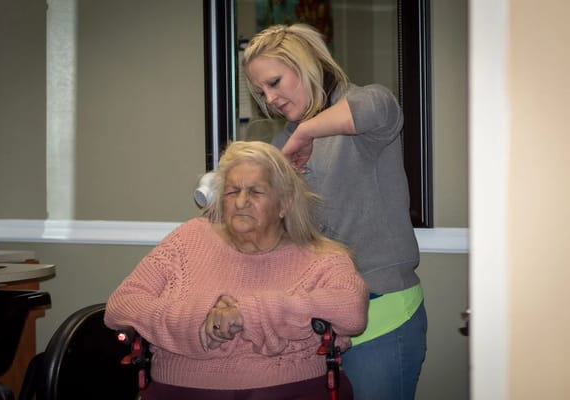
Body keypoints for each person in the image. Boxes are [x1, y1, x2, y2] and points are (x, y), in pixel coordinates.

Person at [242, 23, 427, 400]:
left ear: (305, 63)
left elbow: (378, 106)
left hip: (382, 312)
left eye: (275, 81)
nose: (270, 98)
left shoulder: (363, 108)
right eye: (261, 91)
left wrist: (304, 134)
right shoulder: (285, 142)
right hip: (322, 319)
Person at [104, 140, 368, 400]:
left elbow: (351, 311)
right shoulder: (188, 239)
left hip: (291, 392)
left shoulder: (322, 257)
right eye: (232, 191)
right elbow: (121, 305)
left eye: (255, 192)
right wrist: (197, 321)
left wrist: (247, 314)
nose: (241, 202)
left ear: (285, 204)